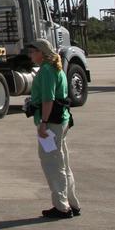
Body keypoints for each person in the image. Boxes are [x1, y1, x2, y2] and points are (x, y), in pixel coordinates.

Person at [27, 38, 80, 219]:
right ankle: (72, 202)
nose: (31, 55)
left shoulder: (47, 71)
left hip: (50, 125)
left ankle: (61, 207)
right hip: (61, 122)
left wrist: (43, 123)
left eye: (33, 51)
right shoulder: (56, 69)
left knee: (51, 163)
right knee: (63, 162)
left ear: (41, 52)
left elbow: (48, 99)